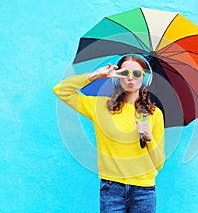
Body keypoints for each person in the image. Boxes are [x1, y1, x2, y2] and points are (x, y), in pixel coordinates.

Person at [53, 54, 165, 213]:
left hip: (144, 190)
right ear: (118, 76)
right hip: (112, 189)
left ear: (145, 77)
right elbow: (61, 90)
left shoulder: (154, 114)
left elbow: (159, 163)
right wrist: (94, 76)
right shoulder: (100, 107)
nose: (130, 78)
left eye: (137, 73)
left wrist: (149, 138)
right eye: (125, 73)